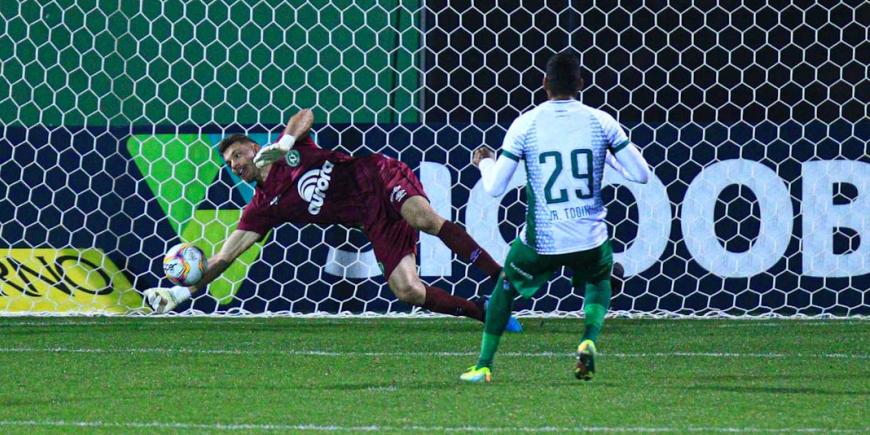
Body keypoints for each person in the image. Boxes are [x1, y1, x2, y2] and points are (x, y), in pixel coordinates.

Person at [144, 108, 521, 331]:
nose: (236, 165)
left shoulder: (287, 151)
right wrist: (182, 291)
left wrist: (286, 144)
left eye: (239, 155)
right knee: (407, 290)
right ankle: (486, 315)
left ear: (253, 148)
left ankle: (500, 278)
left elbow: (304, 115)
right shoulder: (262, 207)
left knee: (423, 217)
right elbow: (224, 258)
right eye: (230, 164)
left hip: (378, 175)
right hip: (370, 219)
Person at [460, 51, 650, 383]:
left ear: (544, 84)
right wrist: (607, 158)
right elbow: (641, 174)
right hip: (588, 237)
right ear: (580, 83)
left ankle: (483, 365)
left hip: (542, 239)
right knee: (599, 278)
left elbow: (493, 187)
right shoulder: (601, 121)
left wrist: (484, 162)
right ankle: (588, 338)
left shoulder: (526, 124)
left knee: (505, 286)